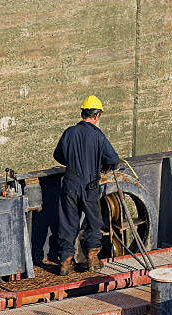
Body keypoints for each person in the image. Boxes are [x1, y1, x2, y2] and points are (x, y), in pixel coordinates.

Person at [53, 95, 120, 275]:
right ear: (97, 115)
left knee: (68, 222)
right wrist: (104, 167)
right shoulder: (98, 136)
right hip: (90, 186)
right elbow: (113, 159)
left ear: (82, 112)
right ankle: (92, 258)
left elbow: (58, 155)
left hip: (70, 184)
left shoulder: (69, 132)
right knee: (93, 222)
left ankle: (66, 262)